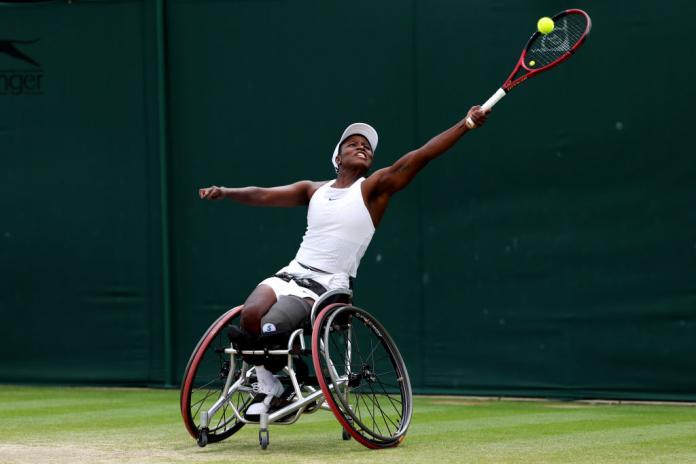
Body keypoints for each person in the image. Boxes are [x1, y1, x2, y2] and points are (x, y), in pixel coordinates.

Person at [199, 106, 490, 415]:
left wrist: (466, 124)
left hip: (325, 286)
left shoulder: (372, 190)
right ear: (337, 158)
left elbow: (421, 156)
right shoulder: (314, 190)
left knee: (270, 328)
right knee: (250, 316)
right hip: (289, 275)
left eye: (367, 146)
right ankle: (273, 384)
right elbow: (262, 194)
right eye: (353, 143)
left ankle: (284, 377)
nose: (362, 146)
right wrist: (226, 191)